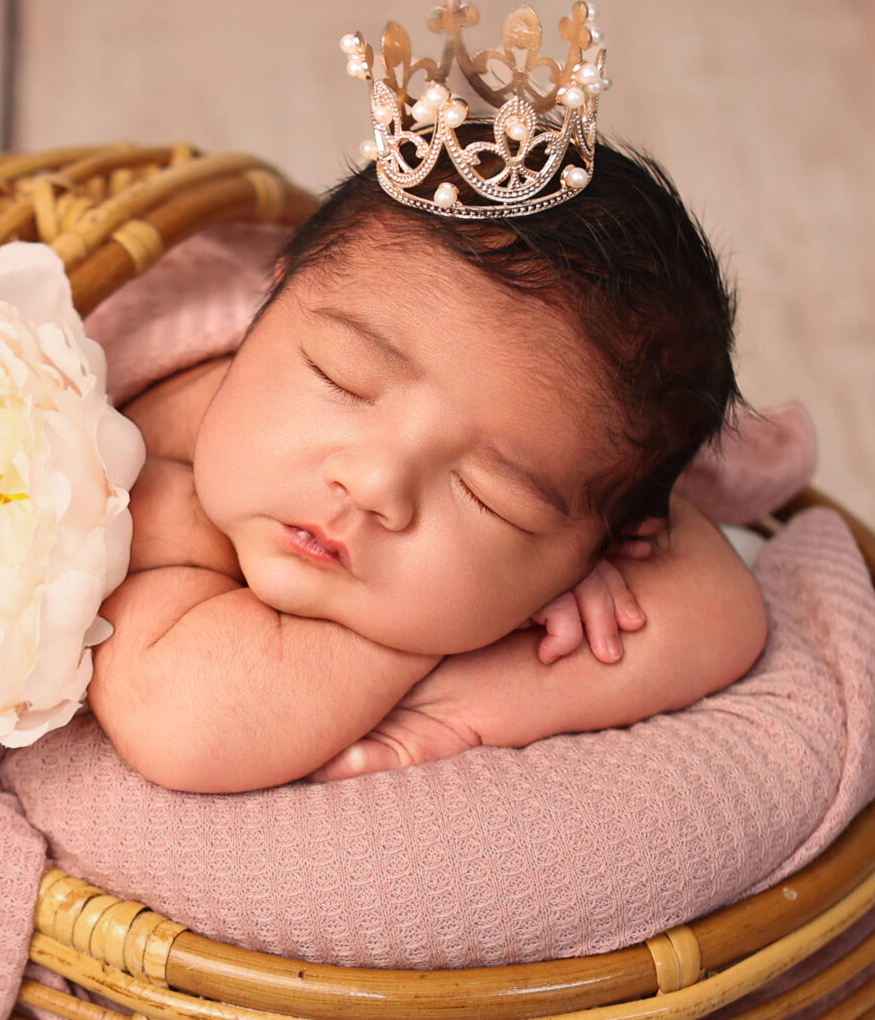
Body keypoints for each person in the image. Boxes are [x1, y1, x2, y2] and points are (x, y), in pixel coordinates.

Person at [89, 134, 767, 794]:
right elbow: (186, 726)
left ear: (601, 552)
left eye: (488, 496)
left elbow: (724, 613)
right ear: (273, 298)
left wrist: (477, 689)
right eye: (343, 378)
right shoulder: (143, 468)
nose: (374, 484)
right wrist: (454, 636)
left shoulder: (564, 467)